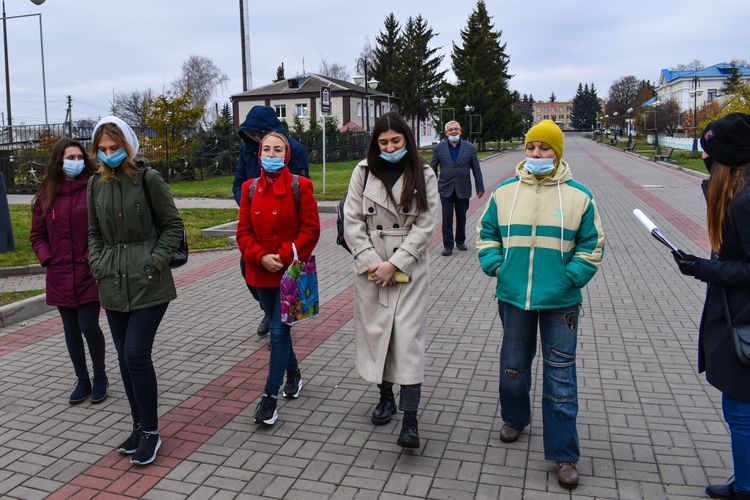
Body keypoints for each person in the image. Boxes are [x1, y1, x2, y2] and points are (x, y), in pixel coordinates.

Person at [475, 120, 604, 488]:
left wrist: (571, 277)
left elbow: (592, 243)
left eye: (545, 148)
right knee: (513, 366)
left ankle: (564, 454)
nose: (537, 153)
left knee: (560, 376)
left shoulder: (579, 196)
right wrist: (496, 265)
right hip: (515, 297)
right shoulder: (505, 193)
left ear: (557, 153)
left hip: (560, 302)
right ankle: (515, 418)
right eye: (531, 147)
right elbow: (486, 233)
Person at [87, 115, 184, 466]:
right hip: (112, 282)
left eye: (114, 147)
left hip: (148, 283)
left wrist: (153, 262)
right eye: (102, 149)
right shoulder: (95, 184)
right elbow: (94, 232)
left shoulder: (148, 178)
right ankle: (138, 426)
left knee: (136, 354)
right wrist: (97, 264)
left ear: (127, 146)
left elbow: (173, 226)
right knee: (124, 359)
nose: (108, 154)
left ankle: (152, 432)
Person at [343, 112, 439, 449]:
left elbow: (426, 224)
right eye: (383, 142)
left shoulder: (423, 173)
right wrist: (373, 263)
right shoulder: (363, 172)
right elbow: (352, 221)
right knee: (378, 333)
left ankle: (410, 418)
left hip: (409, 269)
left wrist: (396, 263)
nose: (390, 147)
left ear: (406, 139)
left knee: (408, 339)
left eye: (396, 141)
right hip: (372, 268)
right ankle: (385, 397)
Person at [671, 112, 750, 499]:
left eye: (709, 151)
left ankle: (746, 487)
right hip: (737, 314)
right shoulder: (738, 190)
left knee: (740, 410)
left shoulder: (745, 200)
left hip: (743, 320)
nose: (703, 157)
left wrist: (705, 268)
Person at [236, 131, 320, 426]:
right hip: (260, 272)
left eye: (277, 150)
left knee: (278, 331)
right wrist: (260, 256)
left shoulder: (301, 186)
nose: (271, 155)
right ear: (260, 154)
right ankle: (293, 374)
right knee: (278, 328)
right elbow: (243, 232)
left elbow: (311, 230)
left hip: (289, 272)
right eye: (267, 150)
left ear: (287, 155)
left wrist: (283, 256)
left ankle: (269, 397)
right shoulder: (249, 188)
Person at [30, 139, 108, 405]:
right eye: (70, 157)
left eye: (79, 157)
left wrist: (94, 258)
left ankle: (100, 377)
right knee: (70, 329)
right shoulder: (47, 194)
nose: (75, 162)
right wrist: (47, 258)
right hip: (59, 273)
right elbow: (37, 235)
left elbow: (103, 229)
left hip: (88, 272)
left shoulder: (93, 188)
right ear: (59, 161)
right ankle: (82, 379)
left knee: (89, 325)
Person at [233, 105, 310, 338]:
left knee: (286, 281)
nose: (257, 140)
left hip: (285, 227)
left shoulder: (294, 149)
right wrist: (249, 203)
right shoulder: (247, 149)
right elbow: (238, 183)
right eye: (253, 135)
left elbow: (300, 187)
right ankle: (269, 311)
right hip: (257, 224)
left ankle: (280, 320)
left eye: (258, 133)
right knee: (248, 268)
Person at [430, 120, 484, 256]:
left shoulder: (469, 148)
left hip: (463, 188)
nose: (453, 132)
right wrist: (431, 186)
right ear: (446, 132)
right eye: (451, 130)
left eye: (456, 129)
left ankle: (460, 241)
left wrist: (480, 187)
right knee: (447, 217)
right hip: (445, 188)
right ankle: (447, 245)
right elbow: (432, 168)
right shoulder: (439, 148)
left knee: (462, 217)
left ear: (460, 131)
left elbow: (476, 169)